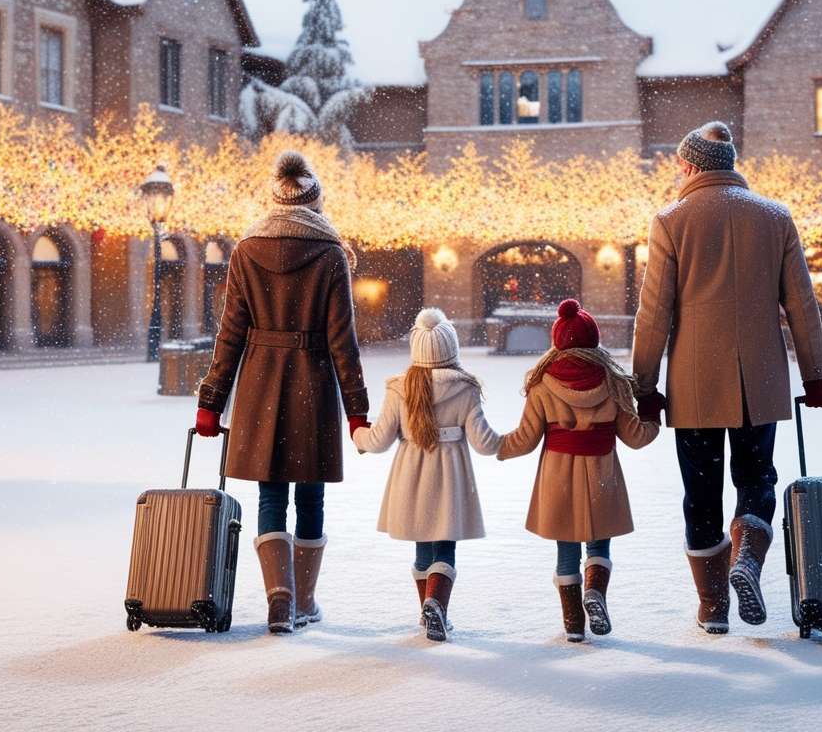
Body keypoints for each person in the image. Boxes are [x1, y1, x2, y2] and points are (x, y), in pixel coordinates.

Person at [631, 121, 822, 635]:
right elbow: (802, 308)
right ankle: (747, 554)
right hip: (760, 378)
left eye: (680, 165)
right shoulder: (775, 217)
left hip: (695, 381)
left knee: (700, 492)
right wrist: (815, 378)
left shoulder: (671, 221)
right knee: (757, 477)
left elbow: (654, 313)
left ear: (693, 165)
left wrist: (645, 385)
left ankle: (713, 606)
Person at [194, 151, 369, 635]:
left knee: (271, 494)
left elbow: (230, 332)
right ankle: (305, 601)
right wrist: (357, 411)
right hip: (311, 381)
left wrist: (211, 401)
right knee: (310, 496)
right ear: (316, 203)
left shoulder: (246, 251)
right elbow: (342, 342)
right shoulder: (331, 254)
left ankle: (279, 598)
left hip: (259, 382)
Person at [497, 299, 660, 642]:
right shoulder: (614, 383)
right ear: (593, 341)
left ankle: (573, 624)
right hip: (602, 472)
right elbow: (636, 437)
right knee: (599, 545)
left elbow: (526, 440)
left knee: (566, 549)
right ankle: (595, 591)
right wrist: (652, 415)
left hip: (558, 477)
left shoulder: (542, 385)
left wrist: (496, 446)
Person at [352, 308, 502, 642]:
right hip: (450, 476)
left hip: (412, 476)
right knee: (444, 547)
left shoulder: (399, 389)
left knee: (422, 547)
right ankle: (436, 606)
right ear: (451, 349)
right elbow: (483, 442)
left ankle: (427, 610)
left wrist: (357, 435)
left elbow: (378, 441)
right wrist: (513, 442)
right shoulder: (465, 388)